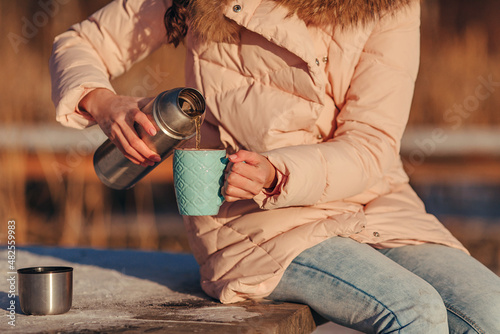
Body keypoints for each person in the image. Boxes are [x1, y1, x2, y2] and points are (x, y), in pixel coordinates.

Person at [50, 0, 500, 332]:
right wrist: (103, 101)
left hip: (373, 199)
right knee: (414, 312)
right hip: (249, 215)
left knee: (490, 312)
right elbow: (81, 42)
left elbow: (371, 145)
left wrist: (277, 172)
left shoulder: (388, 8)